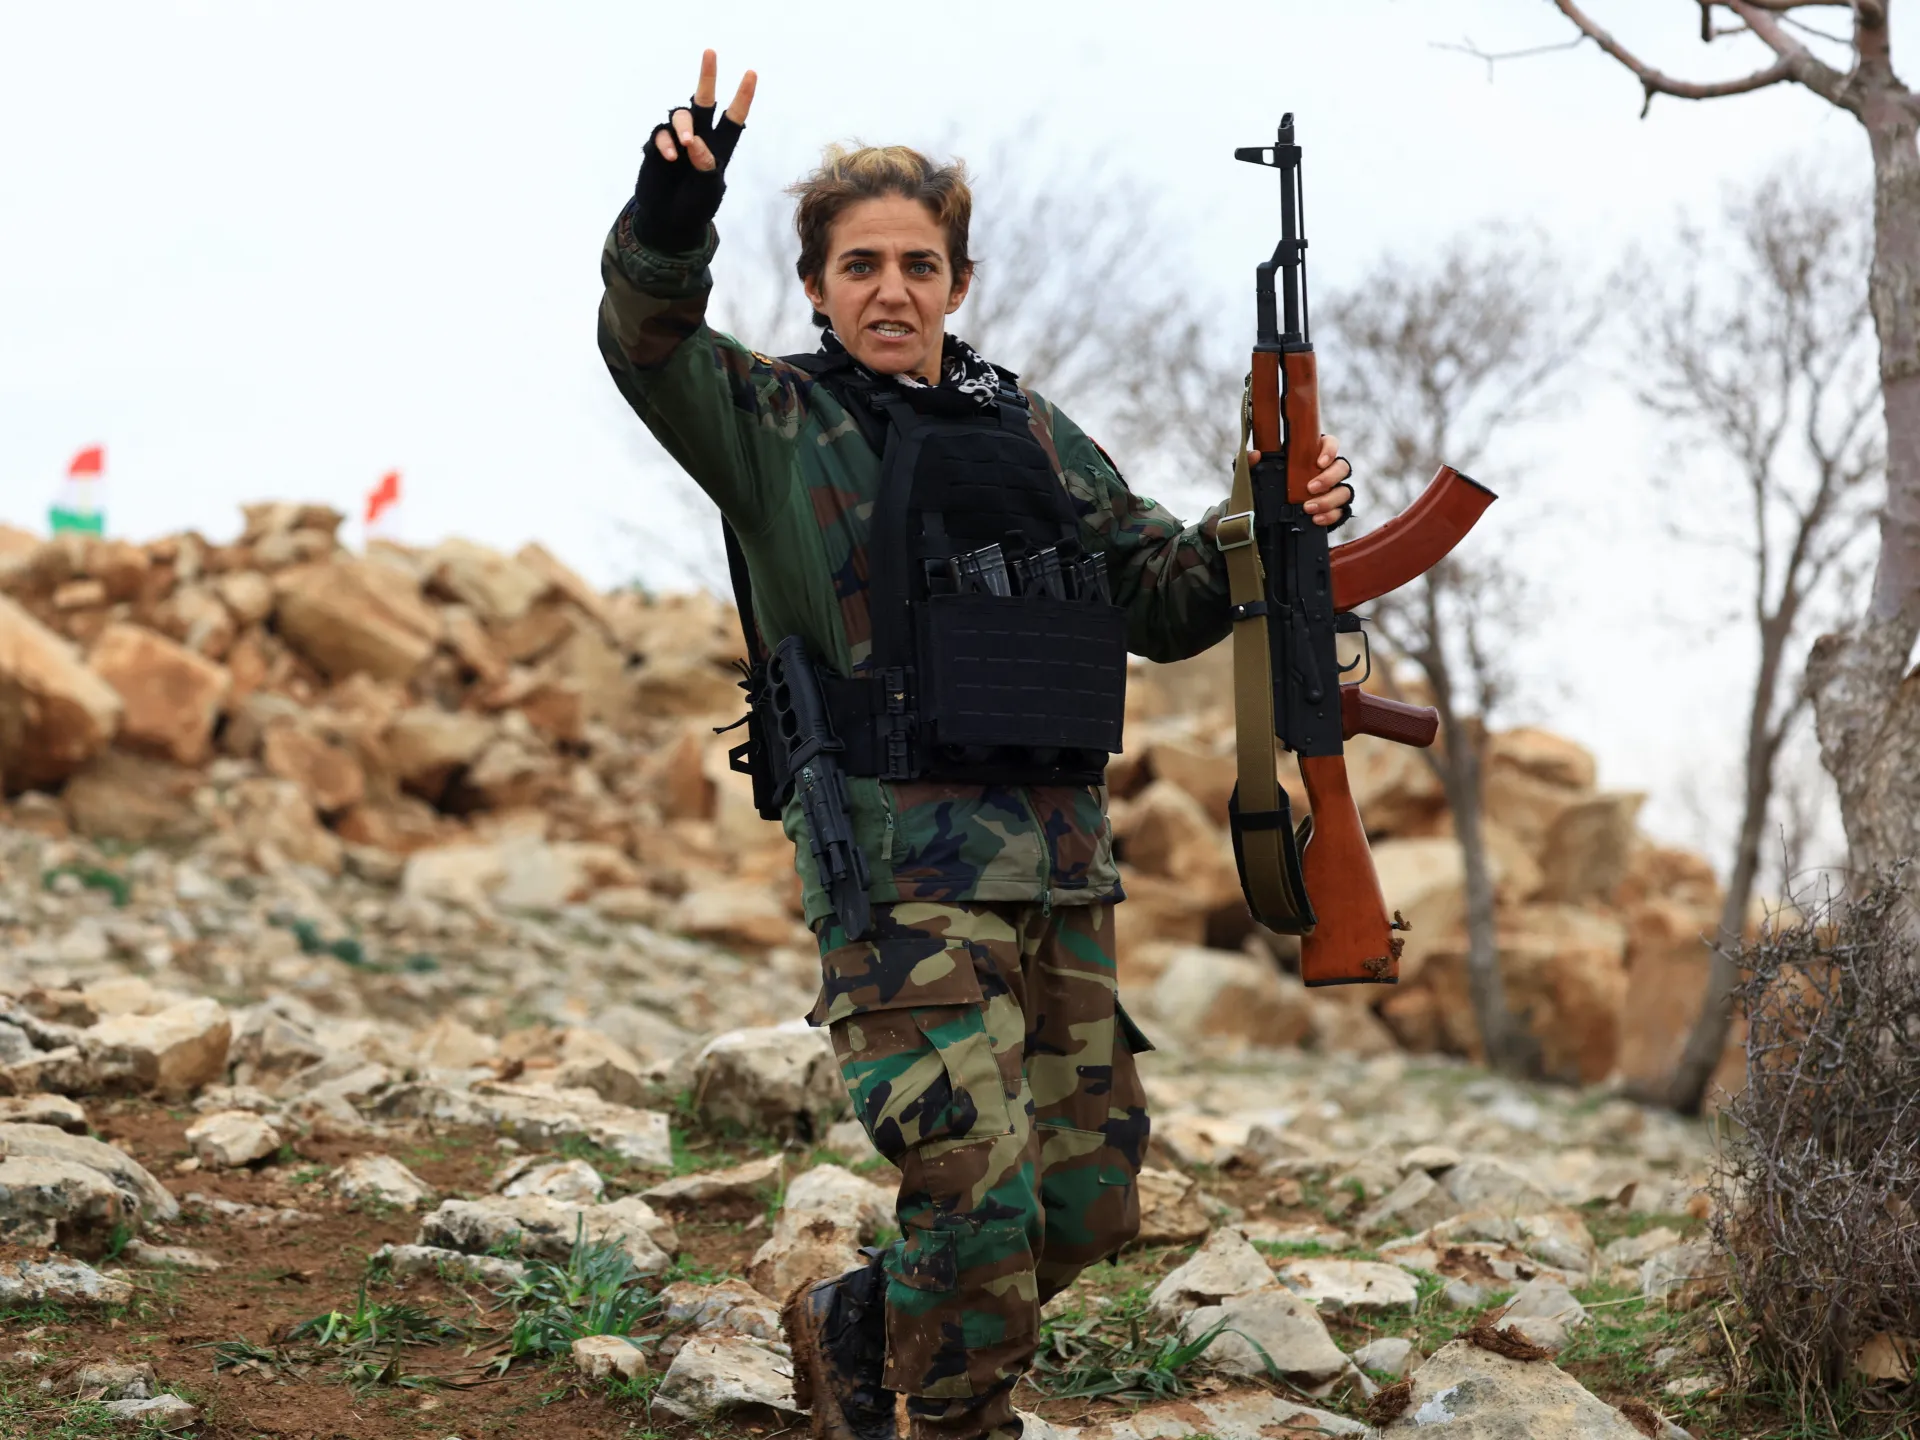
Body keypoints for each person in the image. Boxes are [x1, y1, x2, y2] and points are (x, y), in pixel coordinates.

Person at [598, 51, 1355, 1440]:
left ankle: (860, 1321)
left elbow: (1165, 595)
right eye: (861, 265)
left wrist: (1268, 514)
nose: (892, 290)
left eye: (920, 264)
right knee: (974, 1194)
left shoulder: (1032, 433)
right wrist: (669, 214)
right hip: (899, 876)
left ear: (959, 282)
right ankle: (953, 1420)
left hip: (1061, 868)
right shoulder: (776, 423)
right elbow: (645, 334)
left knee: (1086, 1203)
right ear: (817, 285)